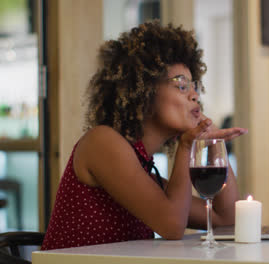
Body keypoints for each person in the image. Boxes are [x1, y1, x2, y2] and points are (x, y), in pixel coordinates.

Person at [41, 20, 247, 250]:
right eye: (181, 85)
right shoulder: (102, 142)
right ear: (145, 91)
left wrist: (212, 144)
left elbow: (226, 219)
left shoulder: (142, 170)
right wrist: (187, 145)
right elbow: (172, 226)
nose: (194, 96)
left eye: (194, 87)